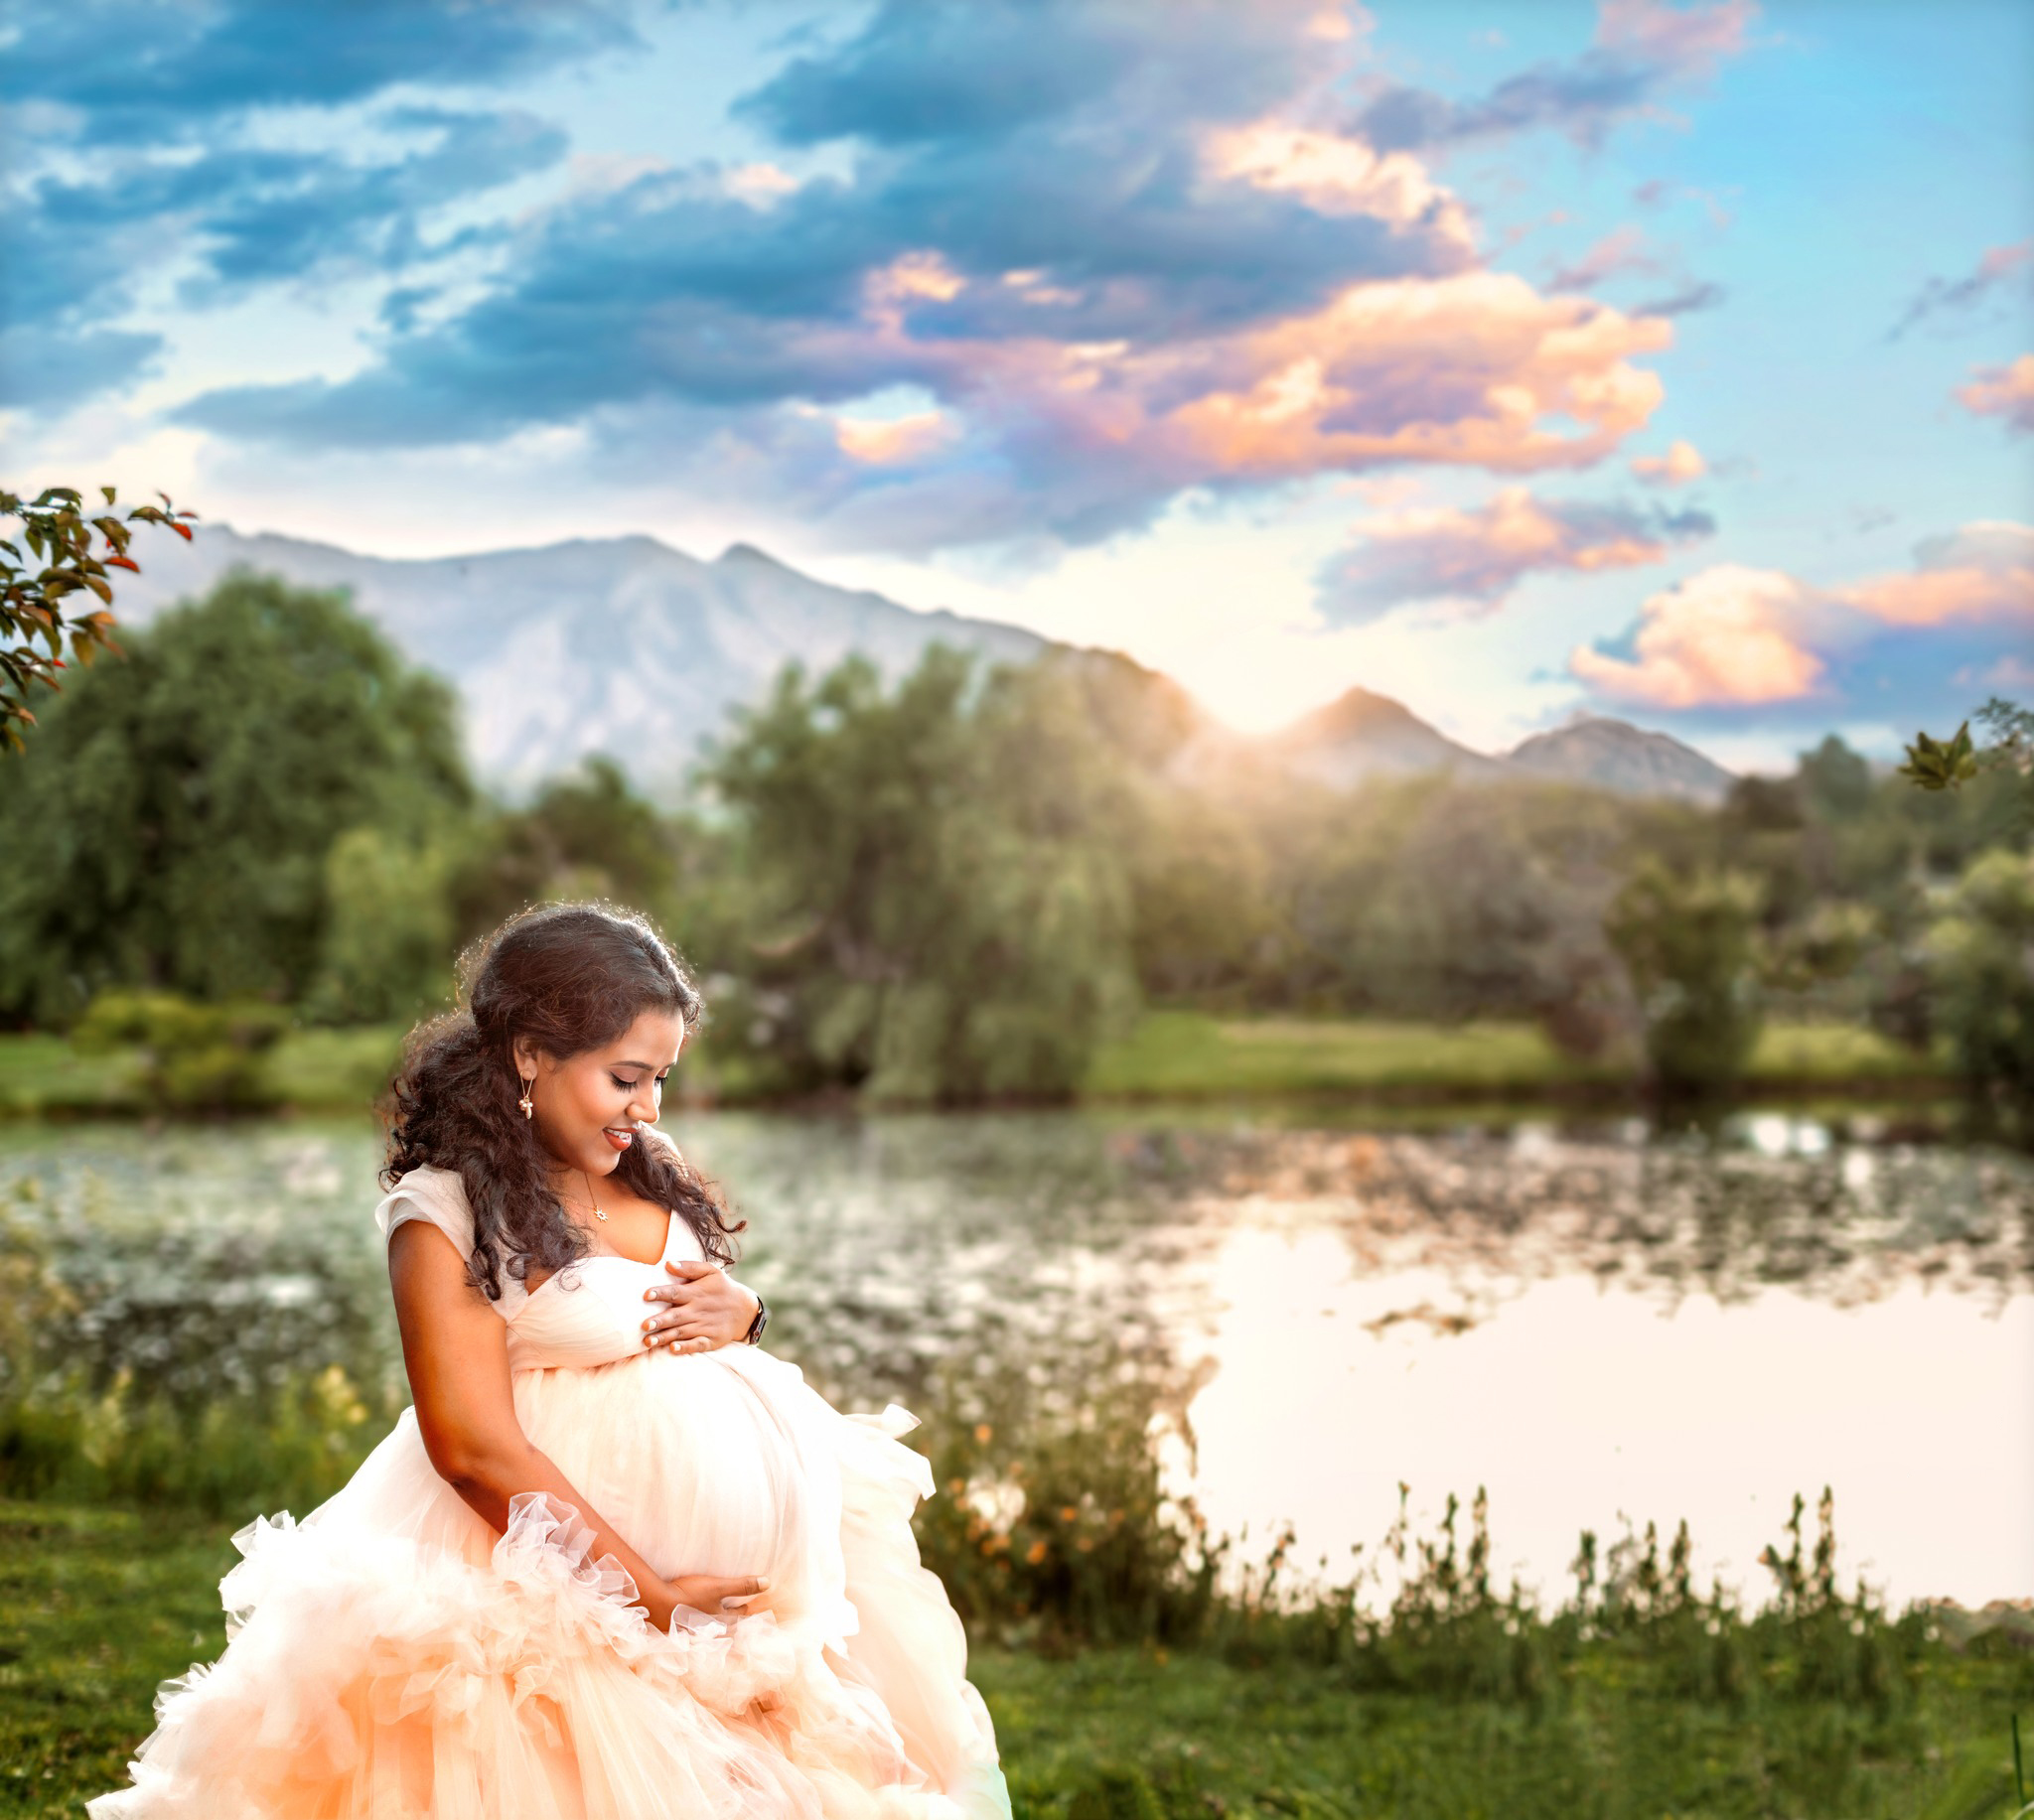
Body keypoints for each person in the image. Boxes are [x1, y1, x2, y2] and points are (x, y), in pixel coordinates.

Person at [89, 902, 1010, 1820]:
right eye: (625, 1077)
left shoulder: (649, 1160)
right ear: (531, 1053)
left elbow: (682, 1314)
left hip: (744, 1614)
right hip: (560, 1596)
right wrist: (653, 1600)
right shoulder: (444, 1210)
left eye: (661, 1079)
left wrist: (747, 1311)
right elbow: (471, 1445)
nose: (647, 1107)